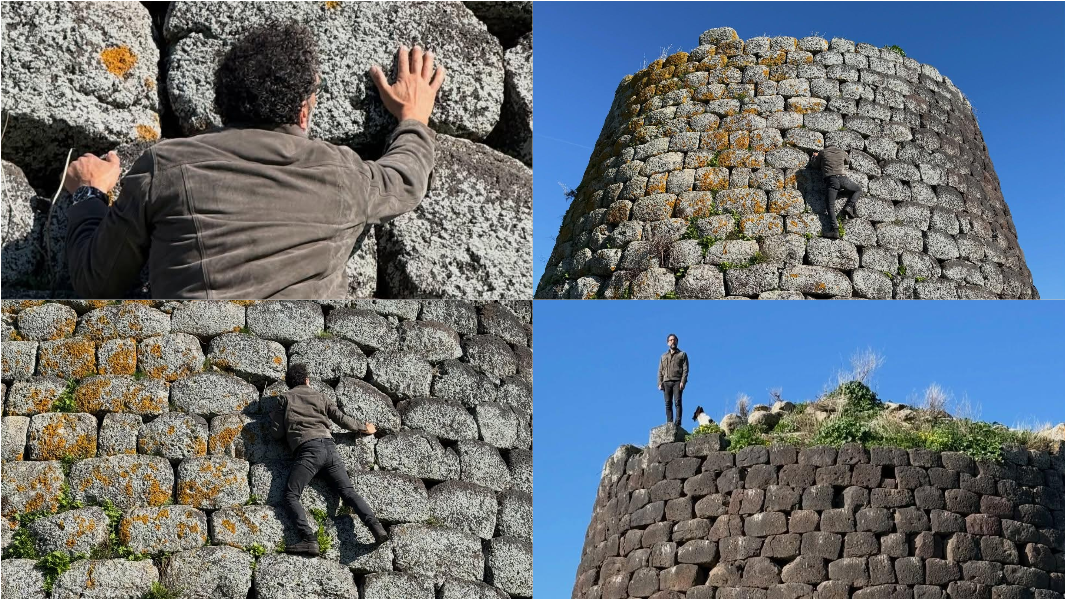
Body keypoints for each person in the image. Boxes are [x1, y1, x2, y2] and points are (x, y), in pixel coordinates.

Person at [61, 23, 446, 298]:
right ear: (303, 113)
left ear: (223, 106)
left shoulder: (163, 166)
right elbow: (405, 177)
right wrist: (414, 116)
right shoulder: (346, 175)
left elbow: (97, 281)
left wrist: (88, 194)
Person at [268, 363, 387, 555]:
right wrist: (364, 428)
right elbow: (341, 418)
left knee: (291, 495)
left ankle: (308, 539)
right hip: (330, 449)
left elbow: (277, 434)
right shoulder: (321, 396)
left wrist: (275, 415)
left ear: (290, 384)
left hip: (308, 451)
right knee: (348, 493)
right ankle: (377, 528)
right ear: (307, 380)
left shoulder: (284, 398)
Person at [809, 146, 863, 239]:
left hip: (832, 180)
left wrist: (814, 156)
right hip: (843, 179)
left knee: (830, 206)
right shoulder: (841, 152)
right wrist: (845, 154)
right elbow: (848, 161)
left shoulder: (822, 152)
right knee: (858, 189)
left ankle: (835, 230)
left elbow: (815, 165)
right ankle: (849, 206)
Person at [657, 333, 689, 427]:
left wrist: (683, 381)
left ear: (677, 342)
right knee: (668, 403)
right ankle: (670, 424)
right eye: (670, 340)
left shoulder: (682, 354)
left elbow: (685, 369)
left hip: (677, 381)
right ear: (667, 343)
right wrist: (659, 382)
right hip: (666, 382)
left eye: (674, 340)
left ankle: (678, 423)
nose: (672, 341)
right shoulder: (663, 356)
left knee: (677, 402)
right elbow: (660, 370)